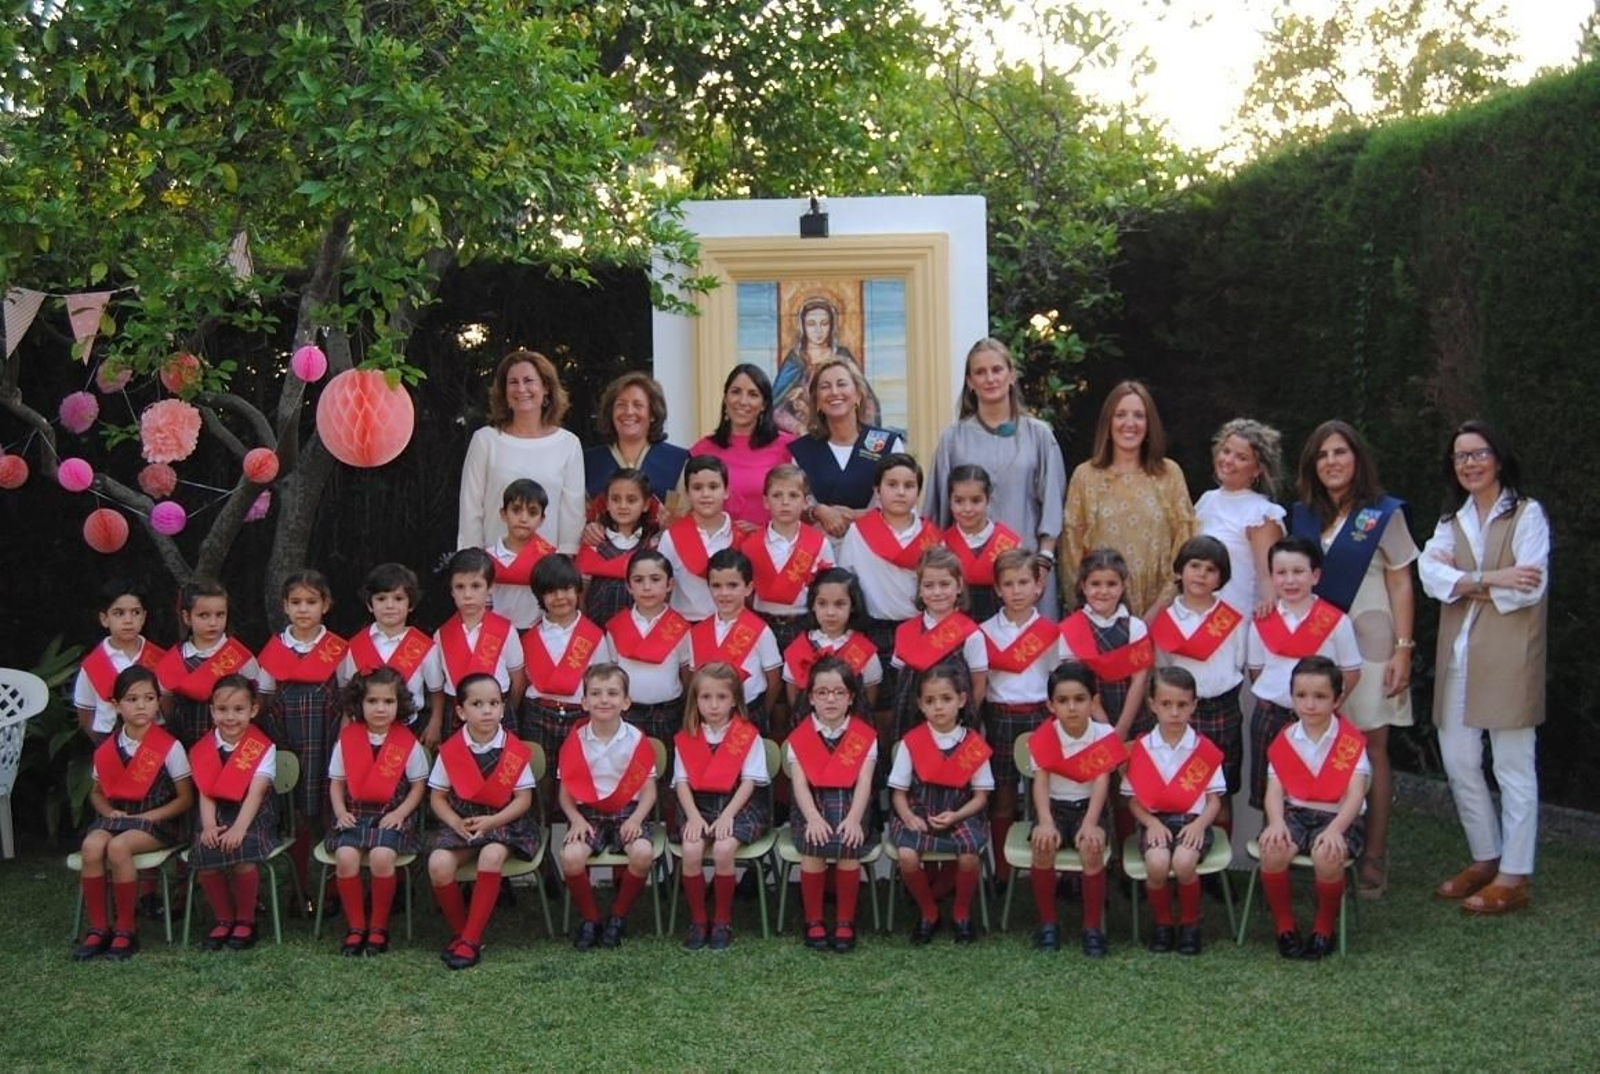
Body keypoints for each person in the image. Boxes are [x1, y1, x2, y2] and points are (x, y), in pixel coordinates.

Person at [1418, 419, 1548, 916]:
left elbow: (1528, 587)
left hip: (1510, 654)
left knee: (1513, 764)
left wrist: (1463, 580)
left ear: (1498, 457)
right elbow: (1431, 576)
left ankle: (1514, 875)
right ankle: (1485, 855)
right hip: (1459, 654)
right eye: (1460, 457)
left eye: (1478, 453)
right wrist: (1491, 575)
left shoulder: (1528, 514)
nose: (1470, 464)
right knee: (1458, 759)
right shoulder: (1452, 520)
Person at [1290, 419, 1418, 899]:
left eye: (1340, 452)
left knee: (1371, 747)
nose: (1331, 462)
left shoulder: (1383, 515)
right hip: (1316, 646)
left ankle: (1374, 855)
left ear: (1357, 459)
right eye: (1322, 455)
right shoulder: (1302, 515)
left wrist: (1403, 650)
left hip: (1371, 640)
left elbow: (1402, 579)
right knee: (1319, 743)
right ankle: (1322, 841)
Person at [926, 339, 1067, 616]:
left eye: (997, 370)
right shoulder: (953, 439)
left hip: (1024, 571)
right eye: (980, 372)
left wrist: (1044, 558)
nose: (990, 379)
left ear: (1011, 375)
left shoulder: (1038, 435)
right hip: (966, 572)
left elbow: (1052, 502)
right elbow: (937, 510)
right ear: (969, 381)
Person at [73, 666, 195, 962]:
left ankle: (127, 928)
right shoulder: (107, 749)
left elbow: (185, 798)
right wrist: (108, 812)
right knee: (91, 846)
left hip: (158, 822)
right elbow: (97, 793)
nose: (141, 705)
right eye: (132, 699)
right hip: (118, 817)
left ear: (158, 703)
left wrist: (150, 817)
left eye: (149, 698)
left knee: (118, 847)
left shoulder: (170, 746)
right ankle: (100, 927)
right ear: (115, 705)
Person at [1257, 656, 1370, 961]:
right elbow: (1274, 792)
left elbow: (1356, 795)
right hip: (1296, 814)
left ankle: (1324, 928)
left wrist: (1335, 830)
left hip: (1339, 817)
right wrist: (1276, 822)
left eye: (1320, 697)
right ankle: (1285, 928)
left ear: (1337, 699)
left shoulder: (1350, 742)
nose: (1309, 705)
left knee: (1328, 855)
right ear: (1291, 697)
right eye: (1301, 696)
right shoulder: (1285, 739)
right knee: (1272, 850)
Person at [427, 673, 538, 970]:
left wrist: (492, 822)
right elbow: (437, 797)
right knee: (438, 864)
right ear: (461, 711)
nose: (487, 710)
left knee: (490, 855)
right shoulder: (451, 750)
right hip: (462, 823)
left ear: (503, 708)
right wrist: (454, 822)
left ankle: (470, 939)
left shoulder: (513, 749)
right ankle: (462, 931)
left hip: (505, 822)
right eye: (477, 704)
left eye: (494, 703)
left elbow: (523, 799)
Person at [1061, 380, 1195, 619]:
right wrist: (1089, 612)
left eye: (1139, 416)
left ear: (1149, 424)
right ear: (1108, 423)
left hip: (1162, 616)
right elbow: (1072, 552)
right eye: (1120, 415)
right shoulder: (1085, 476)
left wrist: (1157, 611)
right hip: (1099, 616)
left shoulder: (1169, 474)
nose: (1129, 424)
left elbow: (1184, 547)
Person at [1245, 537, 1361, 812]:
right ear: (1271, 577)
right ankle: (1269, 848)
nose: (1290, 580)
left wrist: (1327, 706)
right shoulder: (1262, 620)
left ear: (1315, 575)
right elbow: (1256, 670)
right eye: (1281, 573)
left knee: (1314, 793)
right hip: (1270, 716)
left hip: (1318, 720)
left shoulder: (1336, 621)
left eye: (1298, 572)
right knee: (1269, 796)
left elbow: (1351, 671)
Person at [256, 569, 347, 898]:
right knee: (294, 815)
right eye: (296, 602)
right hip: (287, 741)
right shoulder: (274, 649)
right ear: (284, 606)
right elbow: (264, 698)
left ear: (326, 605)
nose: (303, 609)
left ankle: (334, 885)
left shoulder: (338, 649)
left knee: (326, 810)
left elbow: (348, 697)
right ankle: (301, 889)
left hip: (326, 739)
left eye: (311, 601)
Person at [889, 662, 995, 945]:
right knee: (907, 856)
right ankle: (929, 912)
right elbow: (898, 793)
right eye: (930, 700)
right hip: (918, 810)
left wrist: (957, 815)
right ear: (920, 705)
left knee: (969, 853)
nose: (939, 707)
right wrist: (908, 817)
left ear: (961, 700)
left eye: (946, 699)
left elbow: (981, 797)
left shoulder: (972, 743)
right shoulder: (912, 742)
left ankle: (961, 913)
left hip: (960, 812)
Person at [1122, 667, 1226, 956]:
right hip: (1154, 820)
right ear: (1152, 704)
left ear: (1194, 705)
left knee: (1183, 862)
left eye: (1182, 705)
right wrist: (1150, 822)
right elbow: (1132, 801)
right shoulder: (1142, 748)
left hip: (1194, 820)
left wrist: (1200, 825)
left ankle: (1191, 924)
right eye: (1166, 704)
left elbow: (1215, 800)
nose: (1175, 712)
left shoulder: (1203, 749)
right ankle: (1163, 923)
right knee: (1156, 864)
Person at [326, 668, 428, 957]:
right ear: (359, 703)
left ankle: (379, 927)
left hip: (392, 815)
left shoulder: (406, 742)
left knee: (383, 857)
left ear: (400, 704)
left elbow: (418, 787)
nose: (380, 708)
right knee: (346, 858)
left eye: (388, 701)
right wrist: (339, 812)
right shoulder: (347, 739)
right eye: (372, 701)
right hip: (354, 814)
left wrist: (401, 813)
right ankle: (356, 926)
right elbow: (336, 783)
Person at [558, 663, 660, 951]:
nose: (604, 700)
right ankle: (591, 919)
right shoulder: (574, 741)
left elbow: (649, 791)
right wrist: (575, 819)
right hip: (587, 813)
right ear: (584, 701)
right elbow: (564, 792)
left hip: (628, 811)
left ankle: (618, 916)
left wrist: (637, 819)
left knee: (642, 853)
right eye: (596, 693)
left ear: (626, 702)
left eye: (613, 693)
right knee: (571, 857)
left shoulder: (637, 740)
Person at [1025, 663, 1123, 956]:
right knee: (1043, 846)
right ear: (1050, 705)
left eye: (1080, 699)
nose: (1071, 708)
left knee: (1091, 849)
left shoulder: (1104, 734)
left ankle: (1092, 928)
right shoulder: (1043, 736)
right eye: (1063, 701)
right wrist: (1044, 821)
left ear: (1094, 701)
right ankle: (1048, 924)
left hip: (1088, 807)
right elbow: (1040, 782)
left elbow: (1102, 782)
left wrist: (1091, 823)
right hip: (1053, 807)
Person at [978, 548, 1064, 885]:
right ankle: (1003, 870)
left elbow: (1060, 680)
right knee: (1004, 795)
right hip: (1000, 717)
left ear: (1038, 586)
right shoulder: (984, 631)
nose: (1017, 591)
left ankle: (1048, 867)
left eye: (1024, 582)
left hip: (1042, 718)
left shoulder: (1051, 631)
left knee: (1047, 794)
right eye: (1008, 584)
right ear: (997, 589)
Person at [672, 663, 770, 950]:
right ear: (695, 700)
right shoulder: (686, 737)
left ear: (735, 700)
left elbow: (750, 782)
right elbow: (681, 782)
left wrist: (728, 815)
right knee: (691, 850)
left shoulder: (747, 735)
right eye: (706, 697)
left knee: (724, 849)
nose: (714, 705)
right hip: (698, 806)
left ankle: (722, 920)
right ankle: (699, 920)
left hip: (739, 805)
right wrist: (691, 816)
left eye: (721, 697)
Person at [1150, 536, 1247, 827]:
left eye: (1210, 569)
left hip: (1223, 712)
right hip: (1179, 715)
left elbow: (1239, 662)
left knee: (1221, 792)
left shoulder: (1233, 619)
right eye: (1194, 566)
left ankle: (1218, 868)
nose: (1201, 574)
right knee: (1179, 788)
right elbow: (1162, 667)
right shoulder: (1165, 620)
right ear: (1180, 571)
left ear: (1221, 578)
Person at [787, 656, 879, 952]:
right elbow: (799, 784)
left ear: (851, 698)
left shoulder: (865, 735)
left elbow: (864, 781)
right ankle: (813, 919)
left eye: (839, 692)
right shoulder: (799, 736)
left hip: (852, 802)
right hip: (810, 804)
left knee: (848, 844)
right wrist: (812, 817)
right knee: (814, 846)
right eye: (822, 692)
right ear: (811, 698)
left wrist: (854, 819)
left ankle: (844, 920)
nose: (831, 699)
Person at [835, 452, 942, 702]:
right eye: (892, 485)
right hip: (873, 629)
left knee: (916, 700)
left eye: (909, 485)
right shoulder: (858, 533)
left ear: (918, 491)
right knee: (879, 703)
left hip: (919, 628)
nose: (901, 492)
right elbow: (845, 583)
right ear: (877, 489)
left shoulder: (932, 538)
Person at [457, 348, 585, 553]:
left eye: (529, 380)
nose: (521, 388)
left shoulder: (568, 444)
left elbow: (572, 514)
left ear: (545, 388)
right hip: (492, 572)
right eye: (513, 382)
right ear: (504, 392)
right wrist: (471, 561)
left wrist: (566, 563)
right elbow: (471, 508)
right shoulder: (485, 440)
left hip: (548, 574)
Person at [188, 675, 278, 953]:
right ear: (212, 711)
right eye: (222, 710)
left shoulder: (263, 746)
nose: (230, 717)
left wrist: (239, 828)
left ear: (253, 710)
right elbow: (205, 791)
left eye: (239, 710)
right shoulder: (204, 748)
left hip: (252, 814)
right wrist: (209, 826)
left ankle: (246, 920)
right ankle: (223, 918)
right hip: (215, 813)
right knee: (207, 852)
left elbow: (256, 793)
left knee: (243, 852)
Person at [520, 554, 613, 791]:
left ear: (578, 590)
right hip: (538, 714)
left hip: (579, 716)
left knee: (577, 778)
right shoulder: (529, 638)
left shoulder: (593, 636)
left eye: (566, 589)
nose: (560, 597)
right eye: (551, 592)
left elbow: (600, 681)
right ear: (540, 596)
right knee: (540, 781)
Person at [788, 357, 904, 537]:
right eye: (825, 387)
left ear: (858, 395)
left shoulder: (887, 444)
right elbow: (792, 507)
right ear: (817, 401)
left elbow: (903, 503)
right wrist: (818, 511)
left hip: (877, 546)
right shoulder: (803, 451)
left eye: (841, 384)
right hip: (822, 551)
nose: (834, 392)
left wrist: (855, 515)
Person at [429, 548, 526, 741]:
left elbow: (518, 682)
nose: (467, 595)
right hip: (457, 712)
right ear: (451, 590)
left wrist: (505, 710)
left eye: (476, 586)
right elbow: (437, 687)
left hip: (498, 711)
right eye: (460, 587)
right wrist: (436, 721)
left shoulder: (505, 630)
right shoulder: (441, 635)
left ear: (490, 587)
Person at [889, 546, 988, 734]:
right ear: (919, 589)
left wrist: (963, 719)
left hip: (956, 724)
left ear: (959, 585)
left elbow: (979, 687)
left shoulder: (971, 635)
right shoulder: (905, 632)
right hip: (912, 720)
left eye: (944, 584)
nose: (937, 592)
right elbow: (900, 682)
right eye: (928, 585)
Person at [1195, 418, 1286, 617]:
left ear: (1257, 469)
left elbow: (1268, 577)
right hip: (1197, 617)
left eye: (1241, 457)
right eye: (1226, 451)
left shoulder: (1261, 514)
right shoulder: (1205, 501)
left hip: (1236, 619)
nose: (1228, 461)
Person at [1059, 548, 1153, 740]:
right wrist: (1103, 724)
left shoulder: (1136, 627)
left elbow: (1139, 681)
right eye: (1095, 584)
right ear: (1083, 587)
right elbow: (1078, 682)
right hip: (1088, 717)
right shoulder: (1071, 628)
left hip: (1131, 716)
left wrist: (1122, 727)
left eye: (1111, 584)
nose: (1103, 591)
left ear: (1122, 587)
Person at [155, 579, 259, 749]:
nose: (213, 623)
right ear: (187, 617)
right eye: (204, 615)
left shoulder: (241, 657)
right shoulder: (174, 660)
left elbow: (256, 702)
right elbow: (167, 707)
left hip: (232, 748)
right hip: (186, 746)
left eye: (220, 615)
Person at [687, 549, 782, 734]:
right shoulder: (697, 632)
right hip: (708, 718)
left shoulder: (760, 630)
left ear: (748, 588)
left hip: (749, 712)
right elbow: (693, 681)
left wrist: (761, 712)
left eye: (732, 585)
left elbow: (774, 680)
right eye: (716, 586)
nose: (724, 593)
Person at [689, 363, 795, 528]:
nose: (743, 401)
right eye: (736, 392)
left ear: (764, 405)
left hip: (769, 550)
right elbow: (685, 508)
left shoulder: (788, 447)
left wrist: (765, 533)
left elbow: (801, 504)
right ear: (725, 399)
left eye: (753, 394)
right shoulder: (702, 450)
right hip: (714, 549)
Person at [337, 562, 442, 728]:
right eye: (381, 599)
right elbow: (350, 693)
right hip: (364, 727)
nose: (390, 606)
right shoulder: (356, 645)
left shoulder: (425, 647)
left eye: (398, 598)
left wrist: (435, 724)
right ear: (369, 605)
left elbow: (436, 691)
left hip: (408, 727)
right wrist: (344, 729)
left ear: (411, 604)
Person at [745, 464, 832, 659]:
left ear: (806, 502)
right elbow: (747, 592)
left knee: (801, 682)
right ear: (766, 502)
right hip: (762, 622)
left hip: (805, 623)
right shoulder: (750, 545)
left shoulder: (819, 543)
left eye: (793, 495)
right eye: (777, 495)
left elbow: (828, 588)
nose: (785, 502)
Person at [605, 548, 691, 745]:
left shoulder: (681, 628)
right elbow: (610, 674)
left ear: (670, 584)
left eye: (655, 579)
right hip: (627, 713)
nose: (646, 587)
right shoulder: (616, 626)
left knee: (666, 770)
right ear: (628, 586)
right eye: (638, 580)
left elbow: (687, 673)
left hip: (668, 712)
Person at [772, 296, 883, 435]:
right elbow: (775, 407)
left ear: (832, 326)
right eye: (811, 324)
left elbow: (866, 398)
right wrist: (799, 427)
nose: (818, 330)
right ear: (803, 327)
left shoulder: (843, 356)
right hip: (802, 432)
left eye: (824, 323)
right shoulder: (795, 360)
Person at [781, 567, 884, 713]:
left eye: (839, 604)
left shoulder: (864, 650)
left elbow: (870, 696)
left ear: (853, 605)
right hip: (809, 729)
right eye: (822, 603)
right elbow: (793, 695)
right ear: (813, 605)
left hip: (852, 730)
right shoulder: (798, 648)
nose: (830, 612)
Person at [74, 579, 165, 742]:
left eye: (135, 612)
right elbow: (85, 712)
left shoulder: (160, 659)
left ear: (144, 617)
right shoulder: (92, 665)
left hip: (155, 744)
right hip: (108, 742)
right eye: (119, 613)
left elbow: (169, 706)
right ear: (104, 619)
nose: (128, 620)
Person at [582, 371, 688, 509]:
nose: (629, 412)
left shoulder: (678, 461)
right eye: (621, 405)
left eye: (638, 405)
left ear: (653, 414)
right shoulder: (588, 463)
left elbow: (683, 515)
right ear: (611, 413)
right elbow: (578, 516)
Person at [941, 464, 1022, 623]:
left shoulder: (1009, 544)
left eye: (976, 500)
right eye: (959, 501)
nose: (967, 508)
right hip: (955, 631)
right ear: (950, 501)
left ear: (989, 500)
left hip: (1001, 629)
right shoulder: (943, 544)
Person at [659, 455, 736, 623]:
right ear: (687, 493)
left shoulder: (739, 536)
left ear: (726, 491)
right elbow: (661, 589)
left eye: (713, 486)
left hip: (730, 628)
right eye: (697, 487)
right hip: (683, 627)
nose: (705, 494)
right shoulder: (671, 537)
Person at [577, 468, 654, 627]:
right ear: (607, 503)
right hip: (598, 627)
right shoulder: (594, 540)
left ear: (646, 504)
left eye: (631, 500)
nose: (623, 506)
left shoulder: (652, 543)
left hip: (641, 629)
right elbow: (582, 591)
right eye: (616, 499)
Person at [485, 478, 553, 631]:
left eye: (532, 512)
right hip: (495, 634)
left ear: (542, 519)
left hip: (537, 633)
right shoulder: (487, 558)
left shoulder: (550, 559)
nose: (523, 518)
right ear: (503, 514)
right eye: (516, 510)